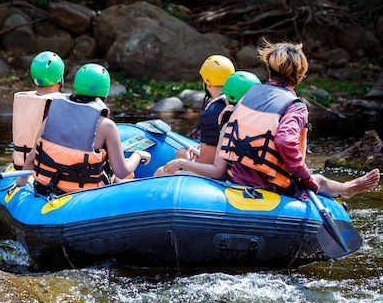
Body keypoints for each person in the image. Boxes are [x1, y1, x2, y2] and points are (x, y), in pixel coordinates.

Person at [215, 40, 379, 198]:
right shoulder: (295, 107)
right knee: (318, 180)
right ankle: (348, 188)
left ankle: (347, 188)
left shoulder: (249, 95)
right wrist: (306, 178)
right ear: (300, 75)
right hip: (268, 187)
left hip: (235, 179)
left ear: (269, 71)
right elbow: (285, 141)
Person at [17, 63, 151, 195]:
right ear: (105, 91)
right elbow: (122, 171)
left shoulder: (54, 114)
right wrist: (138, 155)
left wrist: (19, 185)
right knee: (123, 177)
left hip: (46, 187)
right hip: (84, 194)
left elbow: (32, 157)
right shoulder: (107, 126)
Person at [159, 70, 261, 179]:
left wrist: (182, 163)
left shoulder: (230, 126)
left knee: (160, 172)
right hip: (260, 184)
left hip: (232, 186)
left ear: (228, 98)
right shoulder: (264, 122)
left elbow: (216, 172)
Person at [153, 54, 235, 176]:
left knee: (160, 172)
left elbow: (207, 165)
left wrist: (186, 162)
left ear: (207, 82)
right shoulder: (237, 102)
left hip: (222, 177)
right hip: (232, 167)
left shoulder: (212, 113)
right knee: (182, 152)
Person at [12, 51, 66, 169]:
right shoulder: (58, 104)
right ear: (60, 78)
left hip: (19, 164)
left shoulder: (23, 99)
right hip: (43, 168)